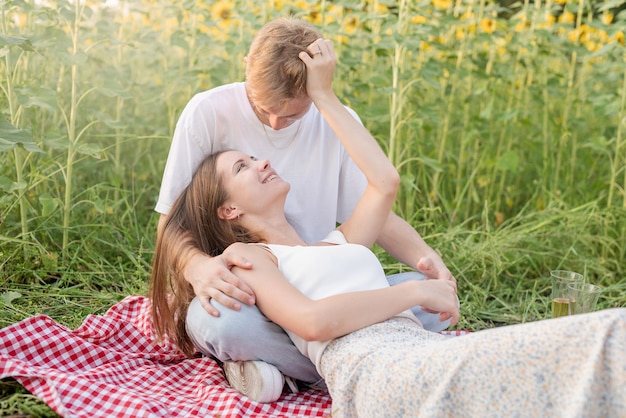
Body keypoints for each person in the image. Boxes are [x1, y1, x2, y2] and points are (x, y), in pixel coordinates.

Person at [149, 38, 626, 415]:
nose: (268, 143)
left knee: (598, 339)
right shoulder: (249, 258)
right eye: (243, 166)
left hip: (403, 348)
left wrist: (326, 98)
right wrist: (415, 297)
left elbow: (384, 184)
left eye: (256, 155)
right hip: (376, 366)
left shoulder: (333, 244)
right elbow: (314, 320)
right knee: (222, 317)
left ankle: (285, 376)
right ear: (228, 211)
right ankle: (308, 368)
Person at [154, 17, 457, 392]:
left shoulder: (332, 126)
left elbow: (382, 193)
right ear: (247, 64)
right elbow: (173, 220)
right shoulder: (208, 112)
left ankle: (287, 372)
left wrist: (430, 268)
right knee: (217, 319)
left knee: (431, 292)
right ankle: (336, 359)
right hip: (254, 296)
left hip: (326, 278)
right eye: (263, 108)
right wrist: (197, 267)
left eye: (294, 113)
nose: (276, 125)